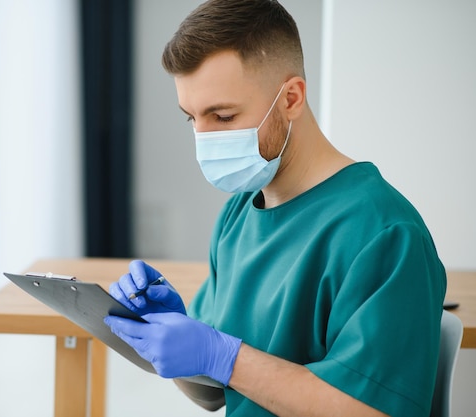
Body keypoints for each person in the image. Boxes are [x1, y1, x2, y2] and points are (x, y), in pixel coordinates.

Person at [104, 1, 446, 416]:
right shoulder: (238, 216)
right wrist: (177, 339)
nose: (204, 138)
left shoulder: (383, 233)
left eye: (223, 116)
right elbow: (213, 395)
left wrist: (223, 356)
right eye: (191, 118)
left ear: (291, 98)